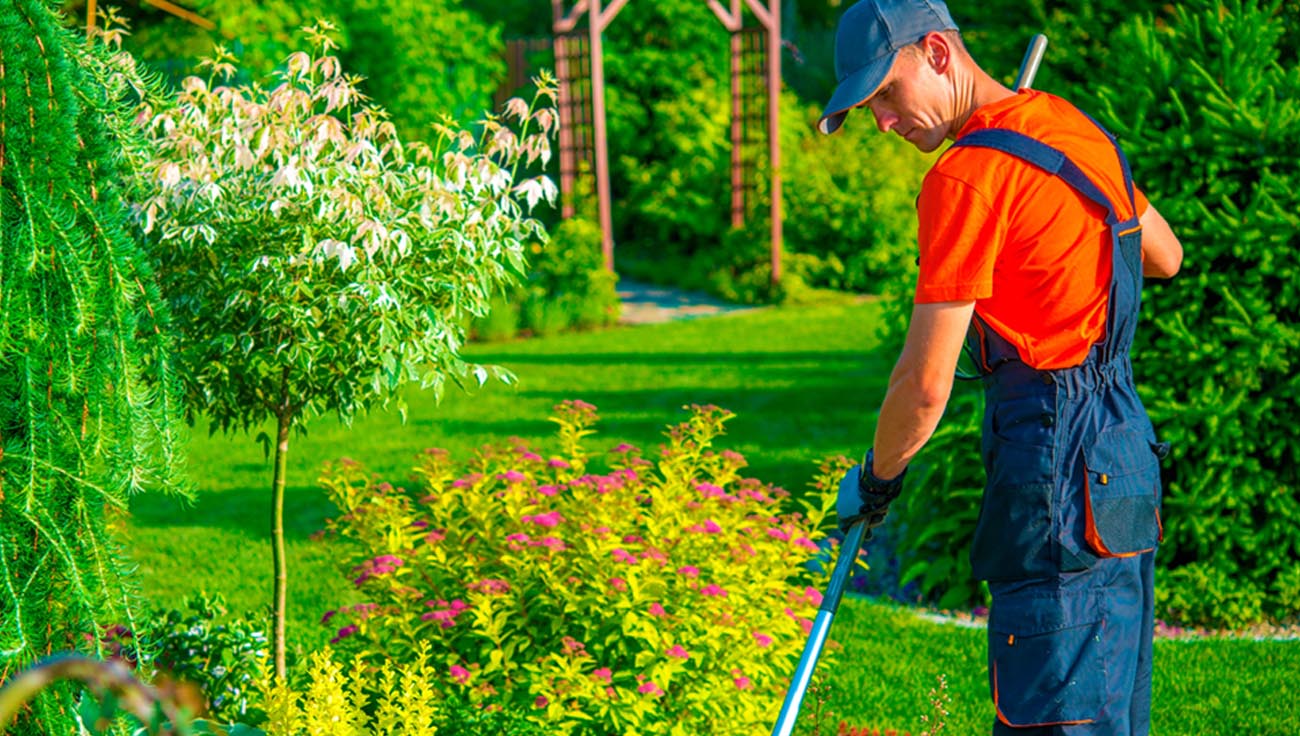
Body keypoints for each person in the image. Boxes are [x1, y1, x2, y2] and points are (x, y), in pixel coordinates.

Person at [818, 1, 1183, 734]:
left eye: (886, 94)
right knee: (1110, 715)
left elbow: (924, 386)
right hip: (1121, 452)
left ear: (938, 54)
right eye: (868, 109)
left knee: (1053, 718)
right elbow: (1163, 253)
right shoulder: (1070, 129)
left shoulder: (966, 179)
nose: (884, 122)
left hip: (1049, 464)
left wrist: (877, 478)